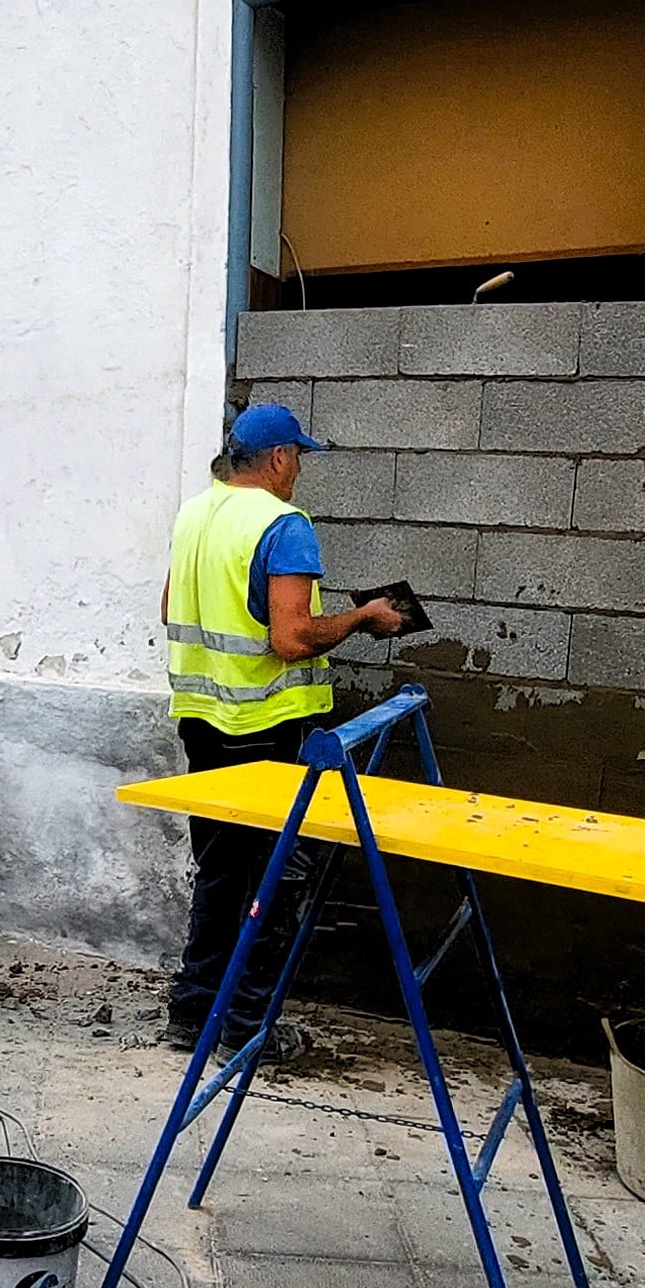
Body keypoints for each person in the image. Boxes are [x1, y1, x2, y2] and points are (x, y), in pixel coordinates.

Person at [159, 400, 411, 1050]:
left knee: (219, 872)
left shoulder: (195, 514)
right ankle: (247, 1027)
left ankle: (190, 1016)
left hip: (203, 723)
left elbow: (170, 606)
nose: (297, 468)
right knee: (277, 876)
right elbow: (294, 636)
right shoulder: (285, 523)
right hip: (269, 729)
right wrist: (361, 618)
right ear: (277, 458)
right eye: (296, 456)